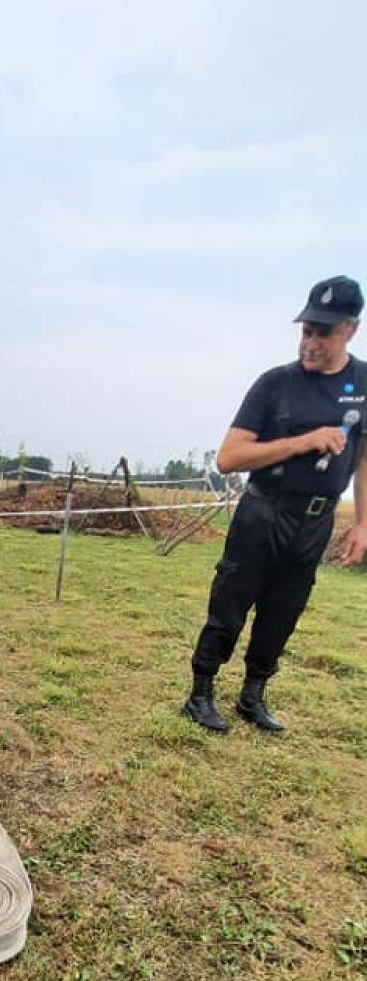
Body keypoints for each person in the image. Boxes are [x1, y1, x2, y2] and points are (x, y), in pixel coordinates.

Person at [184, 275, 367, 734]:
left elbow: (364, 461)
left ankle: (253, 694)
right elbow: (230, 457)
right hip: (264, 511)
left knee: (284, 609)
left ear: (351, 329)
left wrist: (362, 523)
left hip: (315, 520)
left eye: (323, 333)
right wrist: (303, 442)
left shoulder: (364, 384)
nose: (311, 342)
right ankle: (201, 692)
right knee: (230, 601)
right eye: (306, 330)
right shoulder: (275, 385)